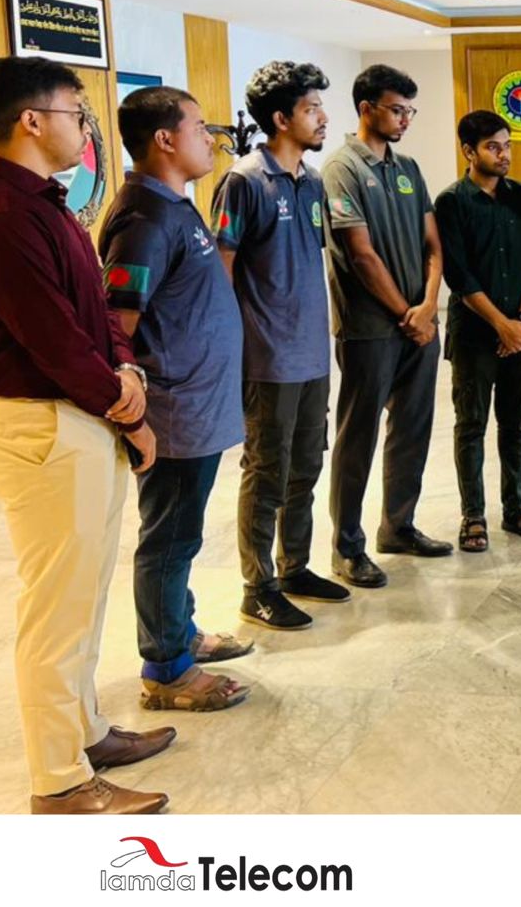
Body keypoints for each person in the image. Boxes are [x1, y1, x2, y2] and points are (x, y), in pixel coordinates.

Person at [0, 57, 169, 815]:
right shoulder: (1, 216)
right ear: (32, 121)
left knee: (84, 595)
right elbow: (51, 341)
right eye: (77, 112)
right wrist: (130, 411)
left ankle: (85, 731)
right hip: (41, 422)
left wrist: (126, 368)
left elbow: (97, 311)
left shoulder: (48, 203)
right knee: (55, 609)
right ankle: (59, 779)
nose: (86, 128)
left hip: (79, 414)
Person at [101, 86, 253, 713]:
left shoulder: (173, 205)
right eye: (199, 127)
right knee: (169, 539)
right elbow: (118, 326)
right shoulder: (145, 219)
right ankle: (166, 669)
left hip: (197, 405)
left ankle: (180, 632)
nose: (211, 138)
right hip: (173, 413)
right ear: (165, 139)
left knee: (181, 534)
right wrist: (138, 408)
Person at [215, 61, 351, 632]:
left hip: (312, 354)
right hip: (267, 357)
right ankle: (258, 587)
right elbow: (221, 272)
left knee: (306, 466)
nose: (323, 118)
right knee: (267, 471)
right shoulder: (244, 181)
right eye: (311, 108)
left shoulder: (313, 182)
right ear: (280, 118)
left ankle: (294, 567)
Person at [323, 63, 451, 588]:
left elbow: (433, 245)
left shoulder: (408, 168)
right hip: (370, 329)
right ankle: (347, 546)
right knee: (358, 436)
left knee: (413, 428)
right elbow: (361, 254)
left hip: (419, 324)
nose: (405, 120)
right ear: (366, 108)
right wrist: (406, 314)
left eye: (410, 111)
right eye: (397, 110)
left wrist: (428, 307)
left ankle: (398, 526)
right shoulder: (342, 170)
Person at [435, 110, 521, 552]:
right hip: (474, 335)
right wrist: (500, 325)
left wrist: (520, 322)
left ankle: (516, 508)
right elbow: (459, 275)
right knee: (471, 425)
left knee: (515, 424)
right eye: (493, 147)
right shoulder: (452, 202)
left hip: (520, 330)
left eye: (507, 146)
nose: (504, 155)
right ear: (469, 151)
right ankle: (473, 516)